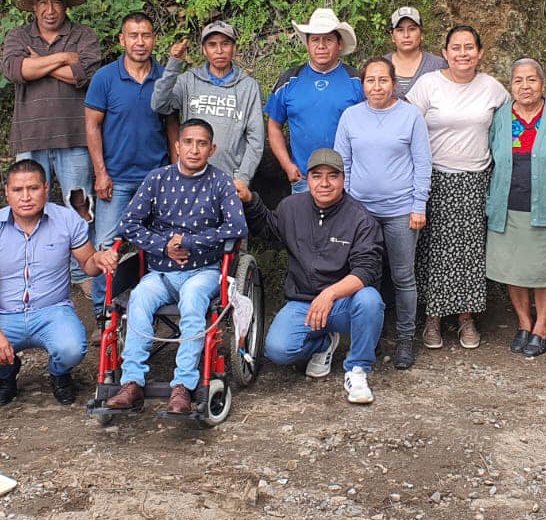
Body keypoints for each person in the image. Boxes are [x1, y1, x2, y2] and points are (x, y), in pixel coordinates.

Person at [103, 119, 249, 415]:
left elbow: (237, 226)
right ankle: (131, 382)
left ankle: (182, 385)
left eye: (202, 144)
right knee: (140, 298)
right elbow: (128, 224)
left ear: (212, 149)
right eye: (188, 143)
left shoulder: (220, 182)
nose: (194, 150)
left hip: (205, 270)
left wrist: (192, 242)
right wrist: (165, 244)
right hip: (161, 272)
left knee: (194, 299)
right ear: (177, 146)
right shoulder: (157, 180)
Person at [0, 160, 115, 408]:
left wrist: (100, 259)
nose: (26, 197)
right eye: (18, 190)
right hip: (5, 315)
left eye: (33, 188)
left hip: (53, 311)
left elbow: (87, 263)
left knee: (73, 349)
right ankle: (6, 372)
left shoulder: (66, 220)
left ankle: (58, 373)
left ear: (46, 188)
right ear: (7, 192)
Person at [242, 149, 386, 404]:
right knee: (277, 349)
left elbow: (366, 271)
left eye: (333, 176)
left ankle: (358, 370)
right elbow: (268, 229)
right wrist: (250, 199)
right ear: (307, 179)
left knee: (371, 299)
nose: (325, 183)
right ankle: (322, 344)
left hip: (343, 304)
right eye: (317, 176)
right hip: (303, 303)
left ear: (344, 179)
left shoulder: (360, 218)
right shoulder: (291, 208)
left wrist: (329, 294)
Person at [407, 25, 510, 351]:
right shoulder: (428, 84)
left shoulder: (492, 88)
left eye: (469, 48)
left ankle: (466, 318)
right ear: (445, 52)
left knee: (469, 254)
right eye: (456, 47)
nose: (462, 53)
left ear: (480, 53)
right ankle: (433, 318)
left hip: (476, 179)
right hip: (434, 178)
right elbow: (405, 124)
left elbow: (518, 114)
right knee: (434, 252)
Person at [334, 58, 431, 369]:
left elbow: (422, 163)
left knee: (403, 276)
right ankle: (369, 337)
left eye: (383, 80)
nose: (376, 87)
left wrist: (419, 205)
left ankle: (405, 339)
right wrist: (344, 206)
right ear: (362, 85)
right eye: (370, 81)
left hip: (402, 210)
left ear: (394, 84)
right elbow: (342, 164)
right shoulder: (350, 116)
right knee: (365, 276)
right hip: (361, 212)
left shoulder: (410, 116)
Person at [485, 58, 546, 357]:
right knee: (514, 269)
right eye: (519, 80)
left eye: (532, 80)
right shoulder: (498, 118)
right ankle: (524, 323)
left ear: (543, 85)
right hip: (507, 205)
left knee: (543, 271)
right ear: (510, 86)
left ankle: (543, 327)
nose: (525, 86)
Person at [0, 0, 102, 226]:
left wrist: (39, 64)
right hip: (30, 136)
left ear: (66, 5)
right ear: (34, 6)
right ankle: (34, 262)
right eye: (43, 2)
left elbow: (84, 74)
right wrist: (64, 58)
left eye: (56, 1)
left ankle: (81, 267)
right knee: (28, 206)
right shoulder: (18, 36)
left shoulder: (83, 35)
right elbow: (16, 70)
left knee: (80, 205)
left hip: (74, 135)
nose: (50, 9)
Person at [85, 11, 174, 304]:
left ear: (154, 39)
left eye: (146, 35)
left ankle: (151, 306)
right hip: (117, 178)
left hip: (157, 177)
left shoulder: (165, 77)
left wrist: (175, 172)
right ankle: (103, 311)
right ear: (122, 39)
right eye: (133, 36)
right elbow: (92, 125)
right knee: (106, 246)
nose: (140, 42)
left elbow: (173, 126)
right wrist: (100, 172)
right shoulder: (105, 78)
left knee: (160, 243)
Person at [151, 18, 264, 195]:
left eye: (225, 44)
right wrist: (173, 64)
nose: (219, 51)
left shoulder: (248, 87)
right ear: (204, 50)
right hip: (190, 178)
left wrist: (242, 178)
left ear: (234, 48)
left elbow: (255, 140)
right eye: (212, 45)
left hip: (229, 182)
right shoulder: (189, 80)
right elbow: (160, 105)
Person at [264, 7, 364, 192]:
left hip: (347, 180)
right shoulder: (288, 81)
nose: (321, 46)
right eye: (315, 39)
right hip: (303, 178)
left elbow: (369, 127)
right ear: (307, 43)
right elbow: (274, 126)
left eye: (328, 39)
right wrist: (287, 165)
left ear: (339, 44)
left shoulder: (357, 82)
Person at [383, 7, 446, 100]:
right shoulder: (380, 65)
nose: (406, 35)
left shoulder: (438, 66)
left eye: (412, 29)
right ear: (392, 36)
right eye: (400, 30)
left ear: (422, 34)